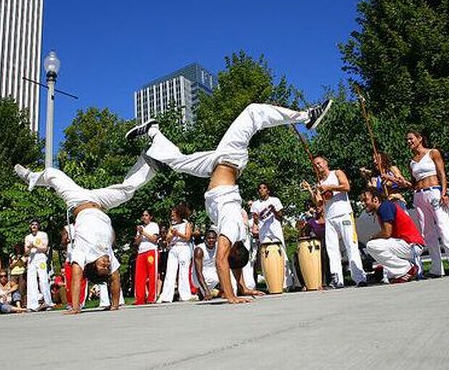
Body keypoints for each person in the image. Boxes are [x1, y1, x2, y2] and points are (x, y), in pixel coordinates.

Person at [128, 101, 330, 303]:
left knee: (179, 162)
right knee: (252, 112)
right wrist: (232, 296)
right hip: (230, 157)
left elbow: (231, 261)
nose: (221, 247)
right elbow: (221, 260)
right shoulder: (233, 227)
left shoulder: (237, 234)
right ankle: (307, 116)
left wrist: (243, 288)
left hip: (216, 164)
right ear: (234, 247)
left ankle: (153, 131)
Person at [14, 151, 157, 314]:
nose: (106, 263)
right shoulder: (108, 256)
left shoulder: (82, 254)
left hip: (78, 200)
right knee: (126, 192)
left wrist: (75, 308)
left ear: (93, 266)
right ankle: (150, 163)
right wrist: (115, 305)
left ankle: (32, 177)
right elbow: (115, 278)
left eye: (102, 266)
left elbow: (76, 278)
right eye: (107, 267)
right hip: (100, 201)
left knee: (54, 174)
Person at [406, 130, 449, 277]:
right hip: (419, 195)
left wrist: (444, 192)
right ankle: (436, 268)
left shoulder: (433, 153)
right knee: (427, 232)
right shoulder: (411, 161)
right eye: (407, 140)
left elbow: (441, 173)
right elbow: (413, 182)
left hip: (434, 191)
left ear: (420, 138)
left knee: (444, 227)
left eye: (411, 139)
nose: (409, 142)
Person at [302, 156, 367, 288]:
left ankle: (359, 277)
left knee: (351, 244)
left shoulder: (336, 173)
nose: (318, 166)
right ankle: (337, 279)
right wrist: (312, 190)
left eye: (319, 163)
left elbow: (346, 186)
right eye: (315, 165)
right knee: (332, 249)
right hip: (330, 217)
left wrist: (329, 186)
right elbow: (319, 202)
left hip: (343, 213)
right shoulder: (319, 182)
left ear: (326, 163)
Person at [361, 188, 425, 283]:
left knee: (372, 245)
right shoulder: (383, 209)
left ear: (375, 199)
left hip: (411, 245)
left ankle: (406, 269)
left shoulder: (384, 207)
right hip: (407, 245)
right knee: (376, 245)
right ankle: (403, 271)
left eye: (365, 200)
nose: (363, 203)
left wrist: (373, 237)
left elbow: (387, 233)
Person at [250, 182, 298, 290]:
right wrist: (257, 219)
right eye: (260, 188)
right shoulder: (255, 204)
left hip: (275, 231)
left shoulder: (275, 200)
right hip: (263, 233)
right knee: (265, 257)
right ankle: (270, 284)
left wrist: (274, 211)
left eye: (264, 188)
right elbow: (256, 220)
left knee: (283, 255)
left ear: (268, 190)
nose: (261, 190)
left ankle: (288, 284)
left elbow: (281, 218)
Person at [157, 204, 196, 303]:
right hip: (174, 248)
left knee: (183, 271)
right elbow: (168, 239)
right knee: (170, 271)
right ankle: (166, 296)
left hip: (184, 248)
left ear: (179, 215)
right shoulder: (172, 225)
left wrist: (177, 234)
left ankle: (185, 295)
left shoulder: (186, 224)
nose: (172, 217)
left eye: (174, 215)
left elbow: (187, 237)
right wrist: (171, 234)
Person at [24, 220, 53, 310]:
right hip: (31, 258)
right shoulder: (28, 237)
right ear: (30, 226)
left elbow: (44, 248)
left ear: (38, 226)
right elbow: (26, 251)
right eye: (32, 225)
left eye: (36, 225)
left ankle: (48, 302)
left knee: (43, 279)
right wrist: (29, 248)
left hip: (41, 258)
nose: (34, 226)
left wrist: (35, 245)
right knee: (31, 281)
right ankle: (33, 304)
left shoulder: (43, 235)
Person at [134, 210, 160, 305]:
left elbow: (154, 239)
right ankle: (140, 298)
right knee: (139, 276)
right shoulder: (140, 228)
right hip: (141, 252)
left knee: (152, 274)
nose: (144, 217)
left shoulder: (154, 225)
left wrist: (143, 232)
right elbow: (136, 243)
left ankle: (151, 297)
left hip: (151, 251)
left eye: (146, 215)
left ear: (150, 217)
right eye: (143, 215)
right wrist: (140, 234)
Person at [60, 224, 87, 310]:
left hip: (81, 257)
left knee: (81, 280)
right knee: (69, 282)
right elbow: (63, 242)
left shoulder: (84, 225)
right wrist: (68, 239)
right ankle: (70, 302)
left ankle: (81, 302)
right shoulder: (67, 227)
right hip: (70, 258)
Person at [193, 229, 220, 300]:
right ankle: (203, 291)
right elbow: (198, 272)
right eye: (209, 238)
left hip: (213, 271)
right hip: (200, 274)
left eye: (213, 238)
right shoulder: (199, 250)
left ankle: (214, 291)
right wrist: (206, 291)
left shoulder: (218, 247)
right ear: (205, 239)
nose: (211, 240)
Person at [9, 243, 27, 307]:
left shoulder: (24, 255)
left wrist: (21, 258)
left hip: (22, 273)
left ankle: (23, 304)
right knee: (14, 289)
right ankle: (15, 304)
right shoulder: (12, 255)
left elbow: (26, 264)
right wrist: (15, 262)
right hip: (13, 274)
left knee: (22, 289)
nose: (18, 249)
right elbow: (10, 266)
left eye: (19, 248)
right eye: (17, 248)